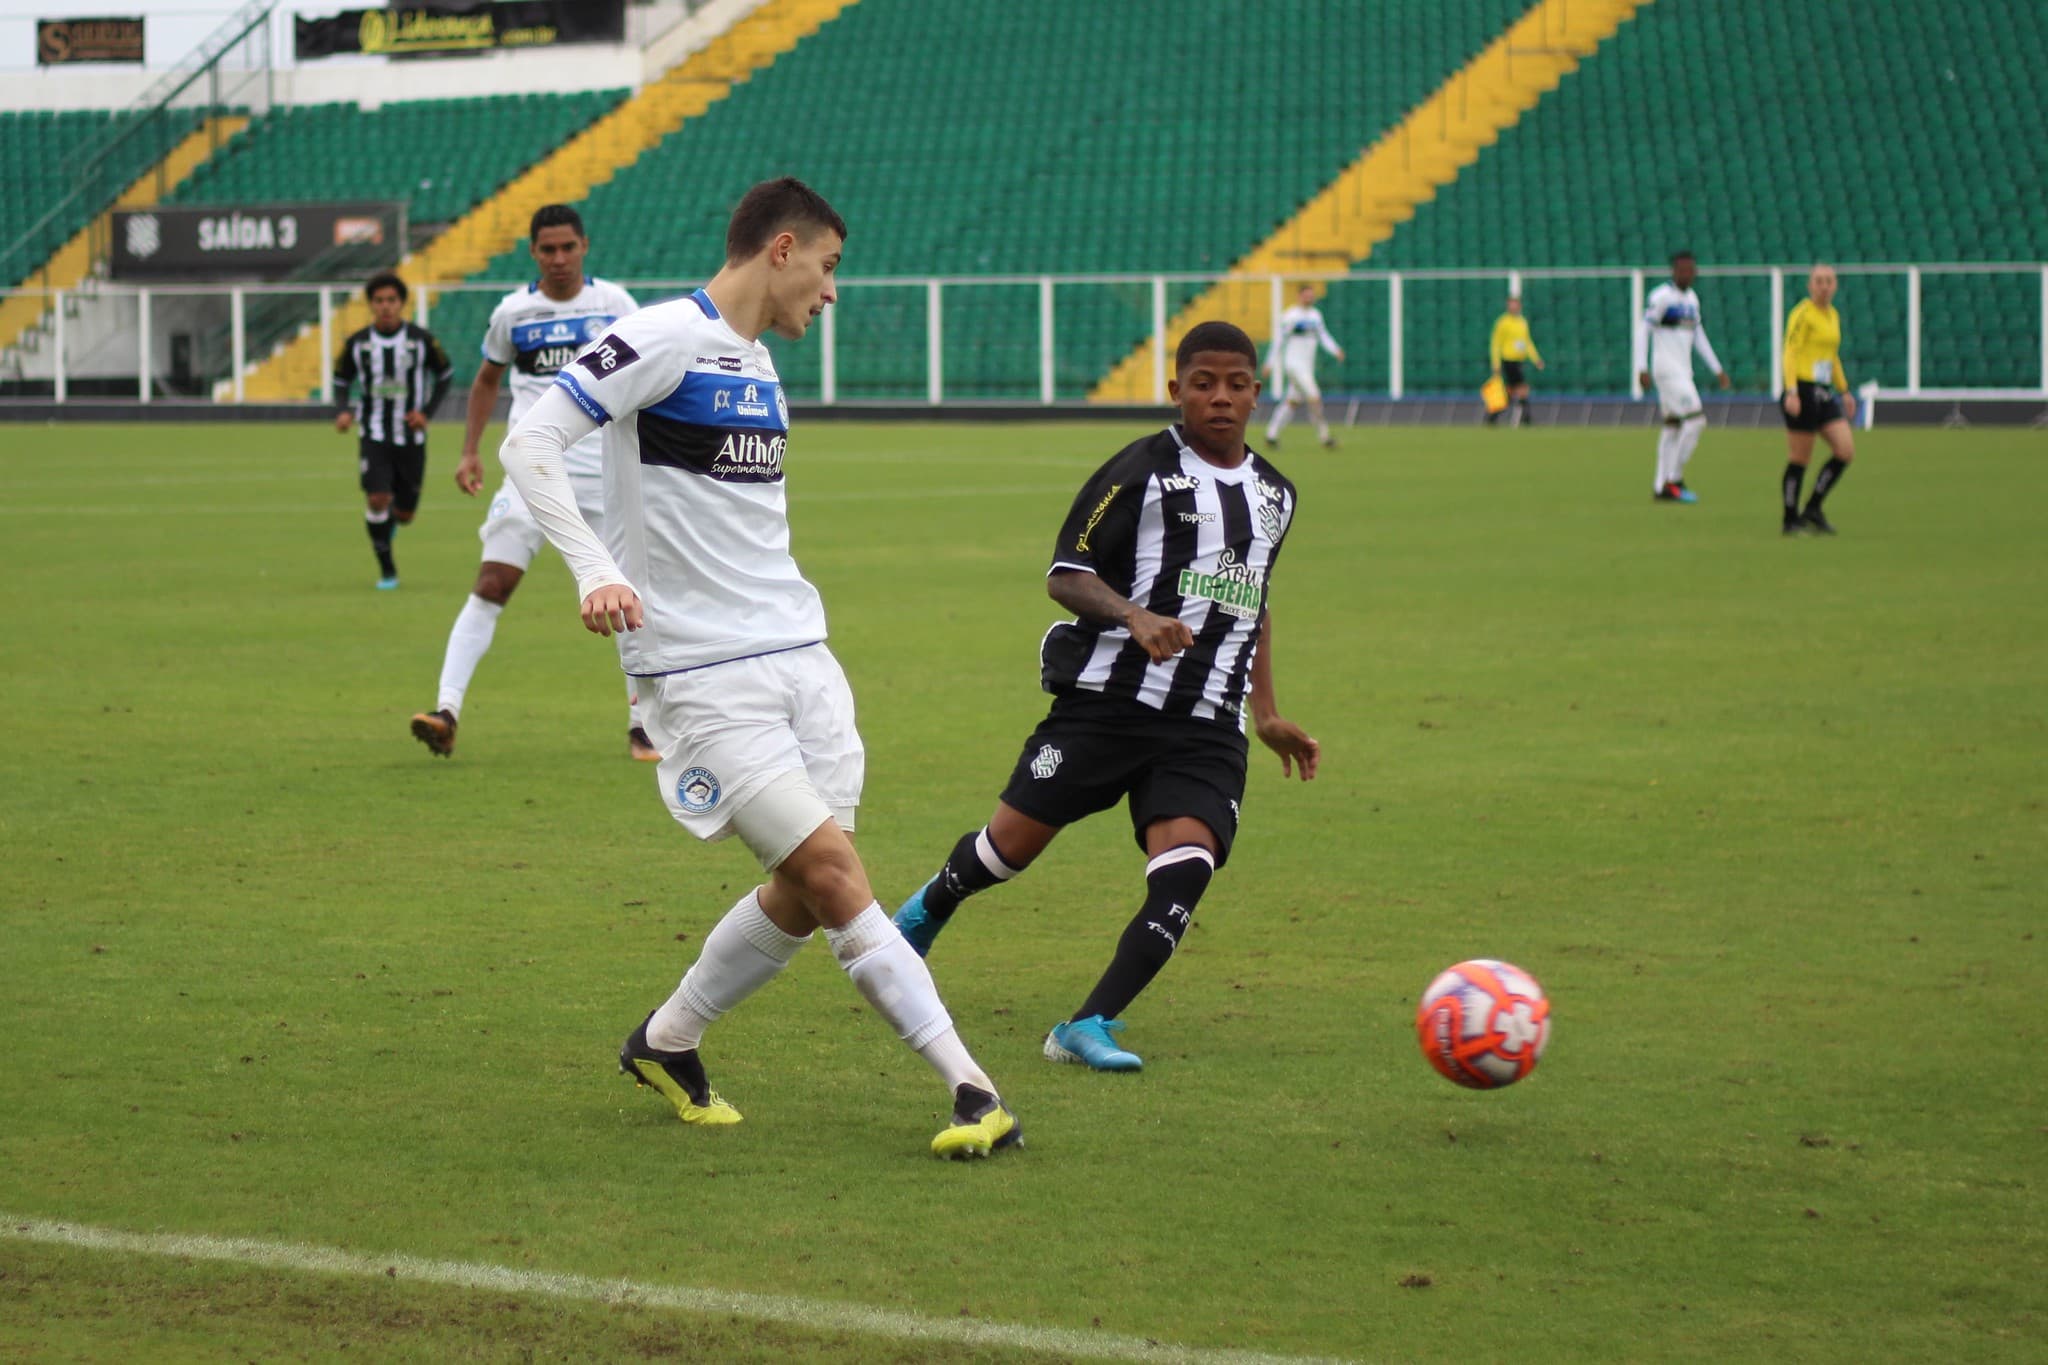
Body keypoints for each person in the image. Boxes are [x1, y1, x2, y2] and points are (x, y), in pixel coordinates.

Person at [496, 177, 1018, 1160]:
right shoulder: (657, 337)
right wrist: (595, 569)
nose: (830, 293)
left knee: (801, 885)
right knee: (831, 875)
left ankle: (667, 1040)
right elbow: (531, 441)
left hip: (802, 658)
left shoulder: (759, 369)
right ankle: (972, 1087)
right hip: (701, 675)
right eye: (825, 268)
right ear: (781, 249)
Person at [893, 321, 1321, 1073]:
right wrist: (1134, 614)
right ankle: (932, 904)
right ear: (1176, 391)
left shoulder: (1276, 495)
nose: (1219, 397)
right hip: (1107, 707)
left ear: (1257, 391)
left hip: (1206, 725)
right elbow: (1066, 572)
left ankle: (1088, 1022)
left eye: (1235, 384)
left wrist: (1267, 712)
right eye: (1202, 384)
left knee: (1187, 869)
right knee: (1005, 852)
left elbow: (1255, 603)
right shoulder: (1140, 472)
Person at [409, 206, 647, 760]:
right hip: (530, 473)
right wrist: (470, 450)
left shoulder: (616, 305)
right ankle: (446, 712)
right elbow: (488, 380)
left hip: (602, 479)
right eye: (548, 250)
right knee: (491, 585)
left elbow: (642, 382)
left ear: (585, 246)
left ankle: (644, 725)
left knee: (626, 598)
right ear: (534, 253)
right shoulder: (513, 312)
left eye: (568, 247)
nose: (559, 259)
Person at [332, 272, 451, 589]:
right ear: (371, 305)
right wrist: (343, 411)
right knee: (377, 498)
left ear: (401, 304)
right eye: (379, 301)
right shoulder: (357, 344)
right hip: (373, 434)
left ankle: (391, 523)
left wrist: (426, 413)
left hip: (411, 437)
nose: (385, 307)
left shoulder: (421, 340)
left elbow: (445, 375)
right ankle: (387, 571)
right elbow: (341, 380)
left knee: (405, 514)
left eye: (391, 301)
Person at [1637, 250, 1731, 503]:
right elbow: (1643, 330)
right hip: (1667, 370)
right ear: (1673, 271)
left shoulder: (1692, 299)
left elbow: (1698, 335)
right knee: (1697, 420)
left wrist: (1717, 368)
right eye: (1682, 270)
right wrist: (1641, 367)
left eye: (1691, 270)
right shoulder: (1661, 297)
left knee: (1672, 426)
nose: (1687, 274)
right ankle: (1673, 479)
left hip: (1683, 370)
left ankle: (1660, 486)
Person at [1779, 263, 1856, 536]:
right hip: (1803, 389)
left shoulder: (1832, 315)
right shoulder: (1803, 313)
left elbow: (1831, 356)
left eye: (1829, 281)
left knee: (1845, 451)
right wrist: (1791, 391)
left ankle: (1813, 507)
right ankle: (1790, 518)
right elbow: (1790, 350)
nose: (1824, 286)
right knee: (1800, 457)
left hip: (1824, 392)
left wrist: (1844, 390)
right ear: (1810, 286)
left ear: (1835, 286)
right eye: (1819, 281)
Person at [1262, 283, 1345, 449]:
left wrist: (1335, 349)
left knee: (1292, 402)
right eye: (1306, 295)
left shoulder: (1315, 316)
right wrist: (1269, 362)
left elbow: (1323, 336)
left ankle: (1271, 435)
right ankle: (1325, 436)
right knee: (1314, 397)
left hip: (1306, 367)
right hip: (1293, 365)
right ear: (1299, 296)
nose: (1309, 298)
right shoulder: (1290, 316)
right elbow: (1279, 340)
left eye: (1311, 295)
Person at [1487, 295, 1544, 426]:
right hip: (1508, 360)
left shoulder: (1522, 322)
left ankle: (1494, 416)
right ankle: (1526, 417)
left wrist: (1536, 359)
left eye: (1515, 304)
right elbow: (1495, 343)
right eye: (1511, 304)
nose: (1513, 307)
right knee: (1522, 388)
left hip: (1519, 361)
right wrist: (1495, 363)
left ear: (1519, 306)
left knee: (1512, 391)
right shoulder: (1503, 322)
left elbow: (1527, 342)